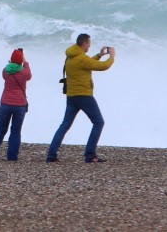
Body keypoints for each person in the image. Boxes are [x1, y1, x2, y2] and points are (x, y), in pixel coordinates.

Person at [46, 33, 115, 163]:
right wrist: (112, 57)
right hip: (84, 96)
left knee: (65, 125)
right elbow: (103, 66)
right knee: (98, 122)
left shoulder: (71, 56)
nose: (89, 46)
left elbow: (88, 63)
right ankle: (90, 155)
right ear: (84, 44)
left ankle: (51, 155)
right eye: (89, 44)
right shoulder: (81, 58)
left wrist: (99, 55)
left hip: (71, 96)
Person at [0, 47, 31, 161]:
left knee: (1, 129)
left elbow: (9, 69)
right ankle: (12, 157)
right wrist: (25, 60)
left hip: (5, 104)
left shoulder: (5, 71)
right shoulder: (24, 73)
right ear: (21, 60)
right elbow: (29, 74)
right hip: (19, 105)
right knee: (15, 131)